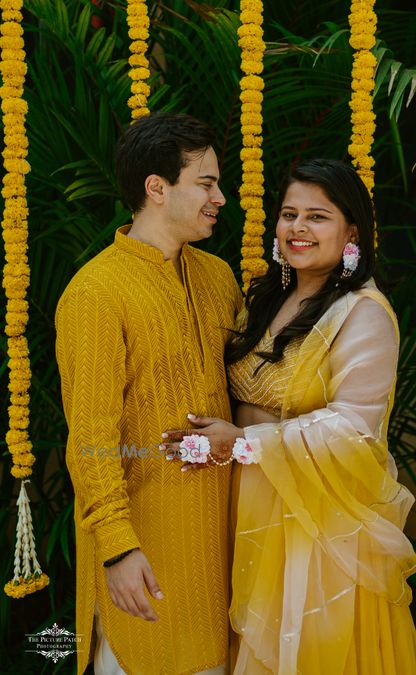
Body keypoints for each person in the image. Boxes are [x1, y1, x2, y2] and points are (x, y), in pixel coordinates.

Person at [164, 159, 416, 674]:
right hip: (248, 511)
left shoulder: (362, 312)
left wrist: (243, 443)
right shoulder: (268, 298)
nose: (298, 229)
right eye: (289, 215)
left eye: (317, 216)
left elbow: (353, 429)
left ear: (351, 231)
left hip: (316, 526)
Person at [55, 112, 242, 675]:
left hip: (223, 548)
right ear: (156, 188)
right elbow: (90, 437)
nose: (221, 198)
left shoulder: (217, 278)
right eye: (206, 184)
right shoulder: (96, 292)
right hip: (146, 557)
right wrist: (117, 546)